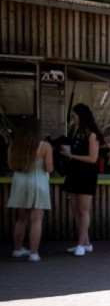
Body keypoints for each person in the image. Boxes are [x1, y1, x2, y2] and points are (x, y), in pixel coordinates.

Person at [7, 117, 54, 262]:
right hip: (38, 180)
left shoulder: (14, 145)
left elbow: (10, 165)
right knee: (36, 220)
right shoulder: (45, 146)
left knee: (21, 219)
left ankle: (18, 249)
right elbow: (50, 168)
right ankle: (34, 254)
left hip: (20, 180)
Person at [60, 103, 102, 256]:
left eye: (74, 116)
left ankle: (80, 243)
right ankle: (85, 241)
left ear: (82, 116)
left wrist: (71, 156)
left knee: (84, 209)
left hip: (86, 174)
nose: (73, 119)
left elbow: (93, 158)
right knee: (75, 208)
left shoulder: (93, 135)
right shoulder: (77, 132)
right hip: (73, 174)